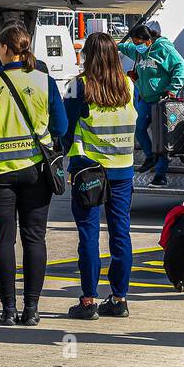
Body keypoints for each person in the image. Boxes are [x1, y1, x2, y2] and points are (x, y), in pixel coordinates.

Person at [0, 24, 67, 326]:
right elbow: (61, 127)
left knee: (3, 239)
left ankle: (8, 310)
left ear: (3, 49)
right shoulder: (44, 81)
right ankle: (32, 309)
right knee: (34, 238)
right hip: (36, 171)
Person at [66, 32, 139, 320]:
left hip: (89, 171)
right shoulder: (128, 86)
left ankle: (88, 300)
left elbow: (65, 127)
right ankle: (120, 298)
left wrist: (67, 160)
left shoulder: (80, 86)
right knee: (120, 233)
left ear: (88, 56)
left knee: (88, 234)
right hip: (123, 169)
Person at [118, 22, 184, 186]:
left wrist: (172, 89)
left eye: (139, 43)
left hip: (161, 100)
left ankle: (160, 175)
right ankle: (150, 156)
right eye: (134, 44)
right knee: (138, 128)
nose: (136, 47)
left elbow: (181, 67)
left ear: (148, 39)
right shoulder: (139, 51)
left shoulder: (164, 49)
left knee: (160, 138)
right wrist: (112, 45)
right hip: (145, 99)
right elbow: (124, 48)